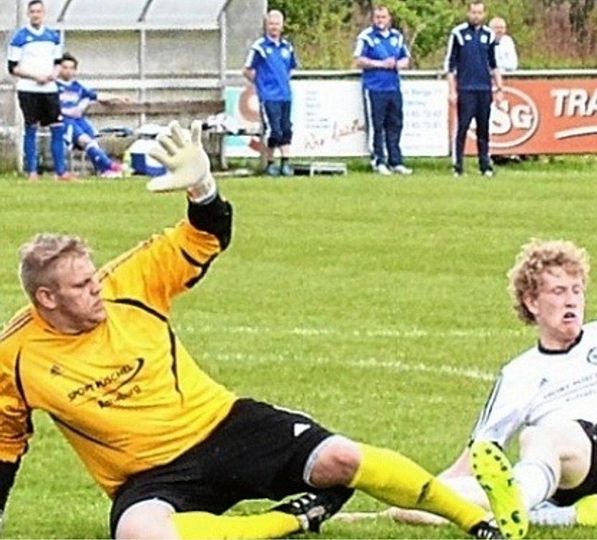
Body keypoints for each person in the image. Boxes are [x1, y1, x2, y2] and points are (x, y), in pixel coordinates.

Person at [0, 120, 513, 540]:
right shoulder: (16, 357)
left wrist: (203, 187)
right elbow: (4, 445)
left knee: (341, 457)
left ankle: (476, 522)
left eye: (93, 277)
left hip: (225, 425)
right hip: (150, 475)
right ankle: (292, 520)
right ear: (47, 298)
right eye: (82, 285)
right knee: (140, 533)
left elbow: (207, 233)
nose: (97, 289)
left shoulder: (127, 281)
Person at [384, 239, 597, 536]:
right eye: (558, 291)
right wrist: (420, 499)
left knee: (543, 436)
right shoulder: (518, 373)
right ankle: (567, 514)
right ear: (532, 302)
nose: (571, 300)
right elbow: (476, 457)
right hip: (558, 482)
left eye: (576, 290)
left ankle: (517, 503)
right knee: (436, 503)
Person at [6, 0, 69, 181]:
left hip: (49, 90)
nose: (36, 14)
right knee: (31, 127)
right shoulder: (19, 37)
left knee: (57, 127)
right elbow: (13, 68)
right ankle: (32, 171)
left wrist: (53, 75)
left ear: (43, 13)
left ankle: (60, 171)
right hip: (29, 89)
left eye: (39, 11)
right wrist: (35, 77)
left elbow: (58, 62)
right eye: (32, 11)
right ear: (28, 14)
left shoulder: (53, 36)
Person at [445, 1, 505, 178]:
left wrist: (499, 88)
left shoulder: (489, 35)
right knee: (463, 127)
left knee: (483, 128)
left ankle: (485, 165)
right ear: (468, 13)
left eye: (479, 13)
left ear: (484, 14)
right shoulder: (458, 33)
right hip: (466, 88)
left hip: (484, 88)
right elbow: (450, 65)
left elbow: (493, 64)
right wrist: (452, 90)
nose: (476, 16)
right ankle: (458, 166)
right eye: (473, 12)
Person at [354, 5, 413, 176]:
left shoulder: (397, 36)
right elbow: (358, 60)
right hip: (374, 87)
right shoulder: (367, 37)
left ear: (389, 19)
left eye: (383, 17)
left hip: (393, 87)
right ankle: (378, 160)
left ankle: (395, 161)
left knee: (395, 123)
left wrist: (396, 64)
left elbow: (406, 59)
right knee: (376, 125)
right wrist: (379, 64)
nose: (380, 20)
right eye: (377, 17)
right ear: (373, 19)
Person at [244, 10, 297, 177]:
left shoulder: (287, 47)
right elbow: (247, 70)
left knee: (286, 129)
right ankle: (270, 163)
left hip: (285, 95)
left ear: (282, 26)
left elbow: (290, 69)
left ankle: (286, 163)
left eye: (277, 24)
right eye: (271, 24)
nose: (274, 27)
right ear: (267, 26)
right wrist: (261, 84)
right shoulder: (259, 47)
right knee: (273, 131)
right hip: (268, 97)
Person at [56, 52, 125, 178]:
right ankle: (110, 166)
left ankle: (105, 169)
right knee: (85, 140)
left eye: (71, 68)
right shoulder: (54, 86)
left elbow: (97, 96)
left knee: (92, 141)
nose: (68, 71)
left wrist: (117, 97)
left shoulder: (77, 87)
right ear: (59, 68)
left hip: (78, 120)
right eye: (65, 67)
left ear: (75, 70)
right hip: (64, 121)